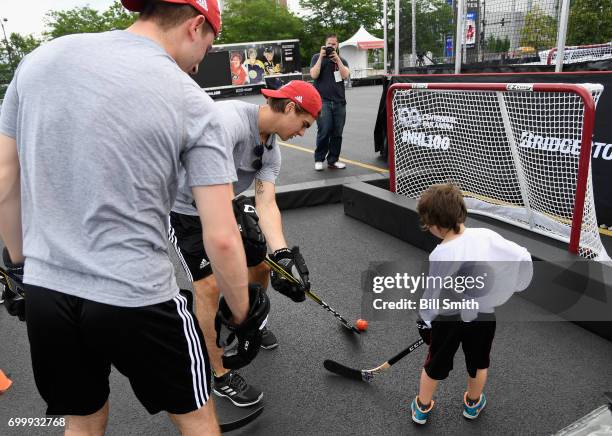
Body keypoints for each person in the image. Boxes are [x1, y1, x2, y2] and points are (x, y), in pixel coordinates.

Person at [0, 1, 268, 434]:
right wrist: (240, 312)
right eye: (209, 46)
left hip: (49, 290)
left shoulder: (39, 61)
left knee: (81, 422)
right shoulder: (193, 102)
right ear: (196, 26)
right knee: (197, 418)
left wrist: (19, 262)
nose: (201, 62)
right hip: (137, 294)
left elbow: (4, 179)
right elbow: (221, 235)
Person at [170, 80, 321, 408]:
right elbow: (213, 187)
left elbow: (266, 204)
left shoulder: (272, 152)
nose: (303, 132)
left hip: (224, 206)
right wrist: (239, 226)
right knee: (209, 287)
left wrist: (282, 255)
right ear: (291, 108)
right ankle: (220, 373)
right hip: (184, 212)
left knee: (261, 262)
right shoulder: (228, 121)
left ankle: (251, 319)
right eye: (304, 124)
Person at [411, 183, 532, 425]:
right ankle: (473, 403)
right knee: (478, 362)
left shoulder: (440, 255)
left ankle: (422, 406)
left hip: (447, 320)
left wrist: (424, 321)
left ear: (434, 225)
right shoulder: (486, 236)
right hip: (483, 316)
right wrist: (515, 284)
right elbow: (522, 256)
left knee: (434, 363)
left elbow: (432, 294)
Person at [309, 33, 350, 171]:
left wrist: (337, 60)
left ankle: (333, 159)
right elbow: (313, 74)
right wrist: (321, 56)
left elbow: (345, 75)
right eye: (329, 44)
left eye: (334, 44)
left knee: (337, 132)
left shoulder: (342, 60)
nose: (331, 46)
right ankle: (319, 159)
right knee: (324, 130)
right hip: (323, 101)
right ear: (324, 44)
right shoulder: (316, 57)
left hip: (339, 101)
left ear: (337, 45)